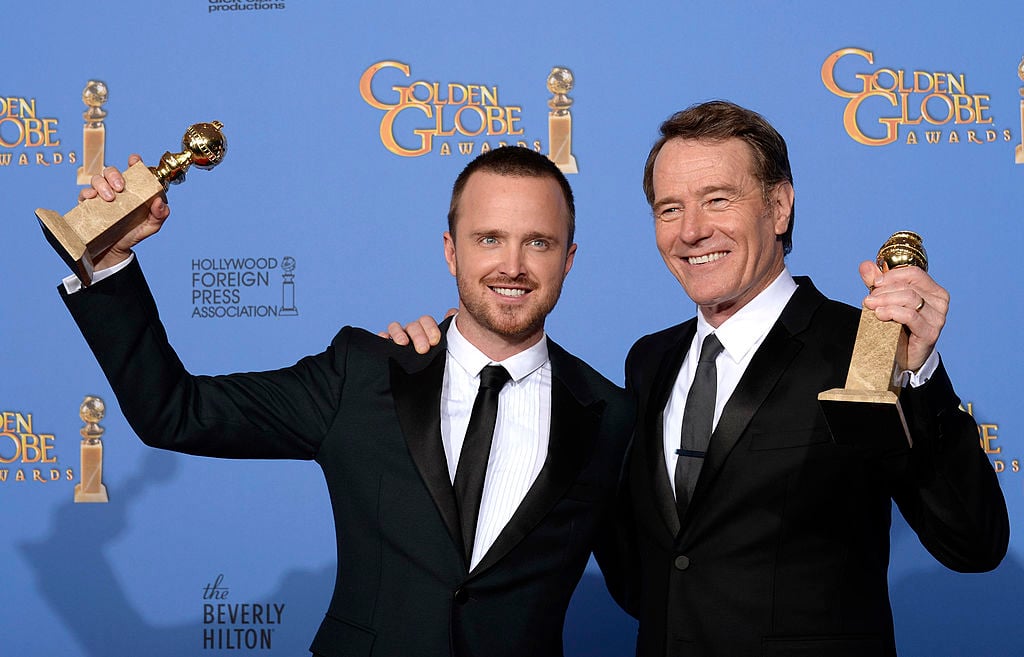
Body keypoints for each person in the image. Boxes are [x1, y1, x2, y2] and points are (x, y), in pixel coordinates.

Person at [389, 101, 1009, 657]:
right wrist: (459, 356)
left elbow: (973, 543)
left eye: (718, 199)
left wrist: (921, 375)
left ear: (779, 204)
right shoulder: (649, 362)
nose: (691, 231)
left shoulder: (860, 348)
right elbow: (648, 572)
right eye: (670, 208)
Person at [59, 146, 634, 657]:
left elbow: (652, 584)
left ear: (569, 259)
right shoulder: (363, 374)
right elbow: (175, 411)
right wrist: (108, 260)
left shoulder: (612, 418)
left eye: (538, 242)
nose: (512, 265)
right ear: (451, 251)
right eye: (489, 239)